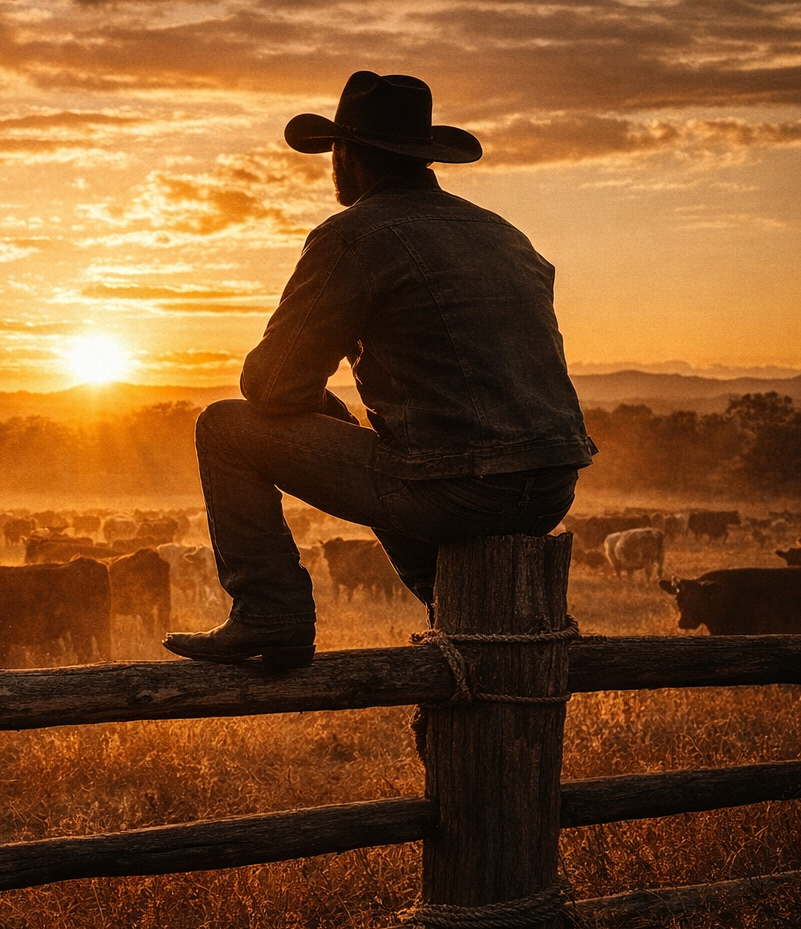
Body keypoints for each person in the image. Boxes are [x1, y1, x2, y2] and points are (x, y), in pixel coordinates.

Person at [163, 71, 595, 670]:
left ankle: (270, 612)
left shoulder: (354, 236)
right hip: (548, 489)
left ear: (347, 154)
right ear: (422, 156)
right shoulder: (502, 234)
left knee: (224, 427)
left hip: (461, 491)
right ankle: (447, 605)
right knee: (343, 421)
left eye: (334, 151)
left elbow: (270, 385)